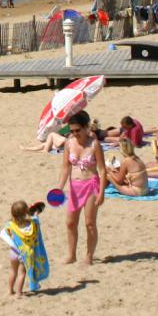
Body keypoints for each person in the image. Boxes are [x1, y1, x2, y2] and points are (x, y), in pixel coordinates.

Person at [55, 110, 105, 265]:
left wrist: (102, 192)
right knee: (70, 222)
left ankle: (89, 256)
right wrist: (59, 187)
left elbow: (103, 170)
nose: (75, 134)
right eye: (72, 131)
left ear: (86, 128)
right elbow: (65, 168)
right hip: (74, 186)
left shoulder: (94, 144)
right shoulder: (69, 143)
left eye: (78, 130)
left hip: (91, 185)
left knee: (89, 223)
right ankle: (71, 255)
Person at [3, 200, 48, 296]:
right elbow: (36, 219)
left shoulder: (11, 225)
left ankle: (10, 291)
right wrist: (36, 212)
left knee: (13, 272)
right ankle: (19, 293)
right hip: (24, 253)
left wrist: (12, 243)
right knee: (22, 273)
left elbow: (3, 233)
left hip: (13, 252)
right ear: (26, 212)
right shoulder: (32, 224)